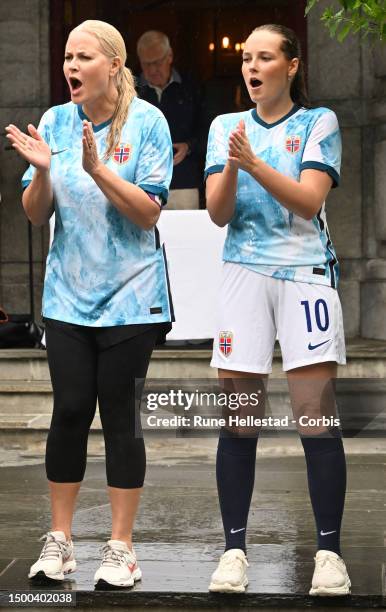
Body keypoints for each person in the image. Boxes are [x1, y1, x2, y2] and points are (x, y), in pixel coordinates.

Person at [5, 20, 173, 589]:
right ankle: (61, 541)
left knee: (120, 419)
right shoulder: (55, 120)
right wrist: (45, 174)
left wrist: (98, 169)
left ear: (113, 65)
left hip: (131, 297)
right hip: (68, 298)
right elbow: (35, 213)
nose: (70, 67)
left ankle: (121, 548)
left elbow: (149, 212)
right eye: (67, 58)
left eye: (83, 58)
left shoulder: (148, 121)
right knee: (70, 411)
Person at [205, 24, 350, 596]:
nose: (252, 67)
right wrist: (236, 162)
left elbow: (310, 198)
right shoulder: (224, 127)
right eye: (246, 58)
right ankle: (234, 550)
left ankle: (329, 554)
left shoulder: (319, 123)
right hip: (243, 271)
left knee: (315, 414)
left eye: (265, 57)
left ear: (291, 66)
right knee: (238, 416)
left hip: (305, 274)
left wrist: (256, 164)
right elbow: (218, 214)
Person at [136, 30, 203, 210]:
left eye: (157, 63)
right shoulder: (132, 92)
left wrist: (189, 147)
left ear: (170, 56)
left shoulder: (190, 88)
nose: (151, 70)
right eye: (146, 64)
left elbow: (207, 130)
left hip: (184, 181)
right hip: (141, 181)